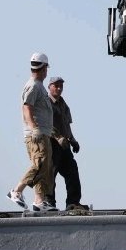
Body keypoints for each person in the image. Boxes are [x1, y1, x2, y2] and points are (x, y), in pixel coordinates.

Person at [7, 52, 58, 212]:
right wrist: (34, 128)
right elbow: (26, 107)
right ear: (43, 68)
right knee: (40, 164)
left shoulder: (39, 85)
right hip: (36, 134)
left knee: (45, 166)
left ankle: (39, 201)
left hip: (44, 133)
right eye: (46, 69)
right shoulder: (33, 85)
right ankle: (16, 191)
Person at [45, 76, 88, 211]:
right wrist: (57, 138)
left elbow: (67, 125)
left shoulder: (63, 104)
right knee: (51, 173)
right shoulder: (46, 103)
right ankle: (48, 203)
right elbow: (45, 124)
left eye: (61, 86)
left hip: (65, 145)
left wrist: (73, 140)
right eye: (56, 85)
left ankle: (73, 203)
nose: (59, 88)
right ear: (49, 86)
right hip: (51, 144)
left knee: (72, 172)